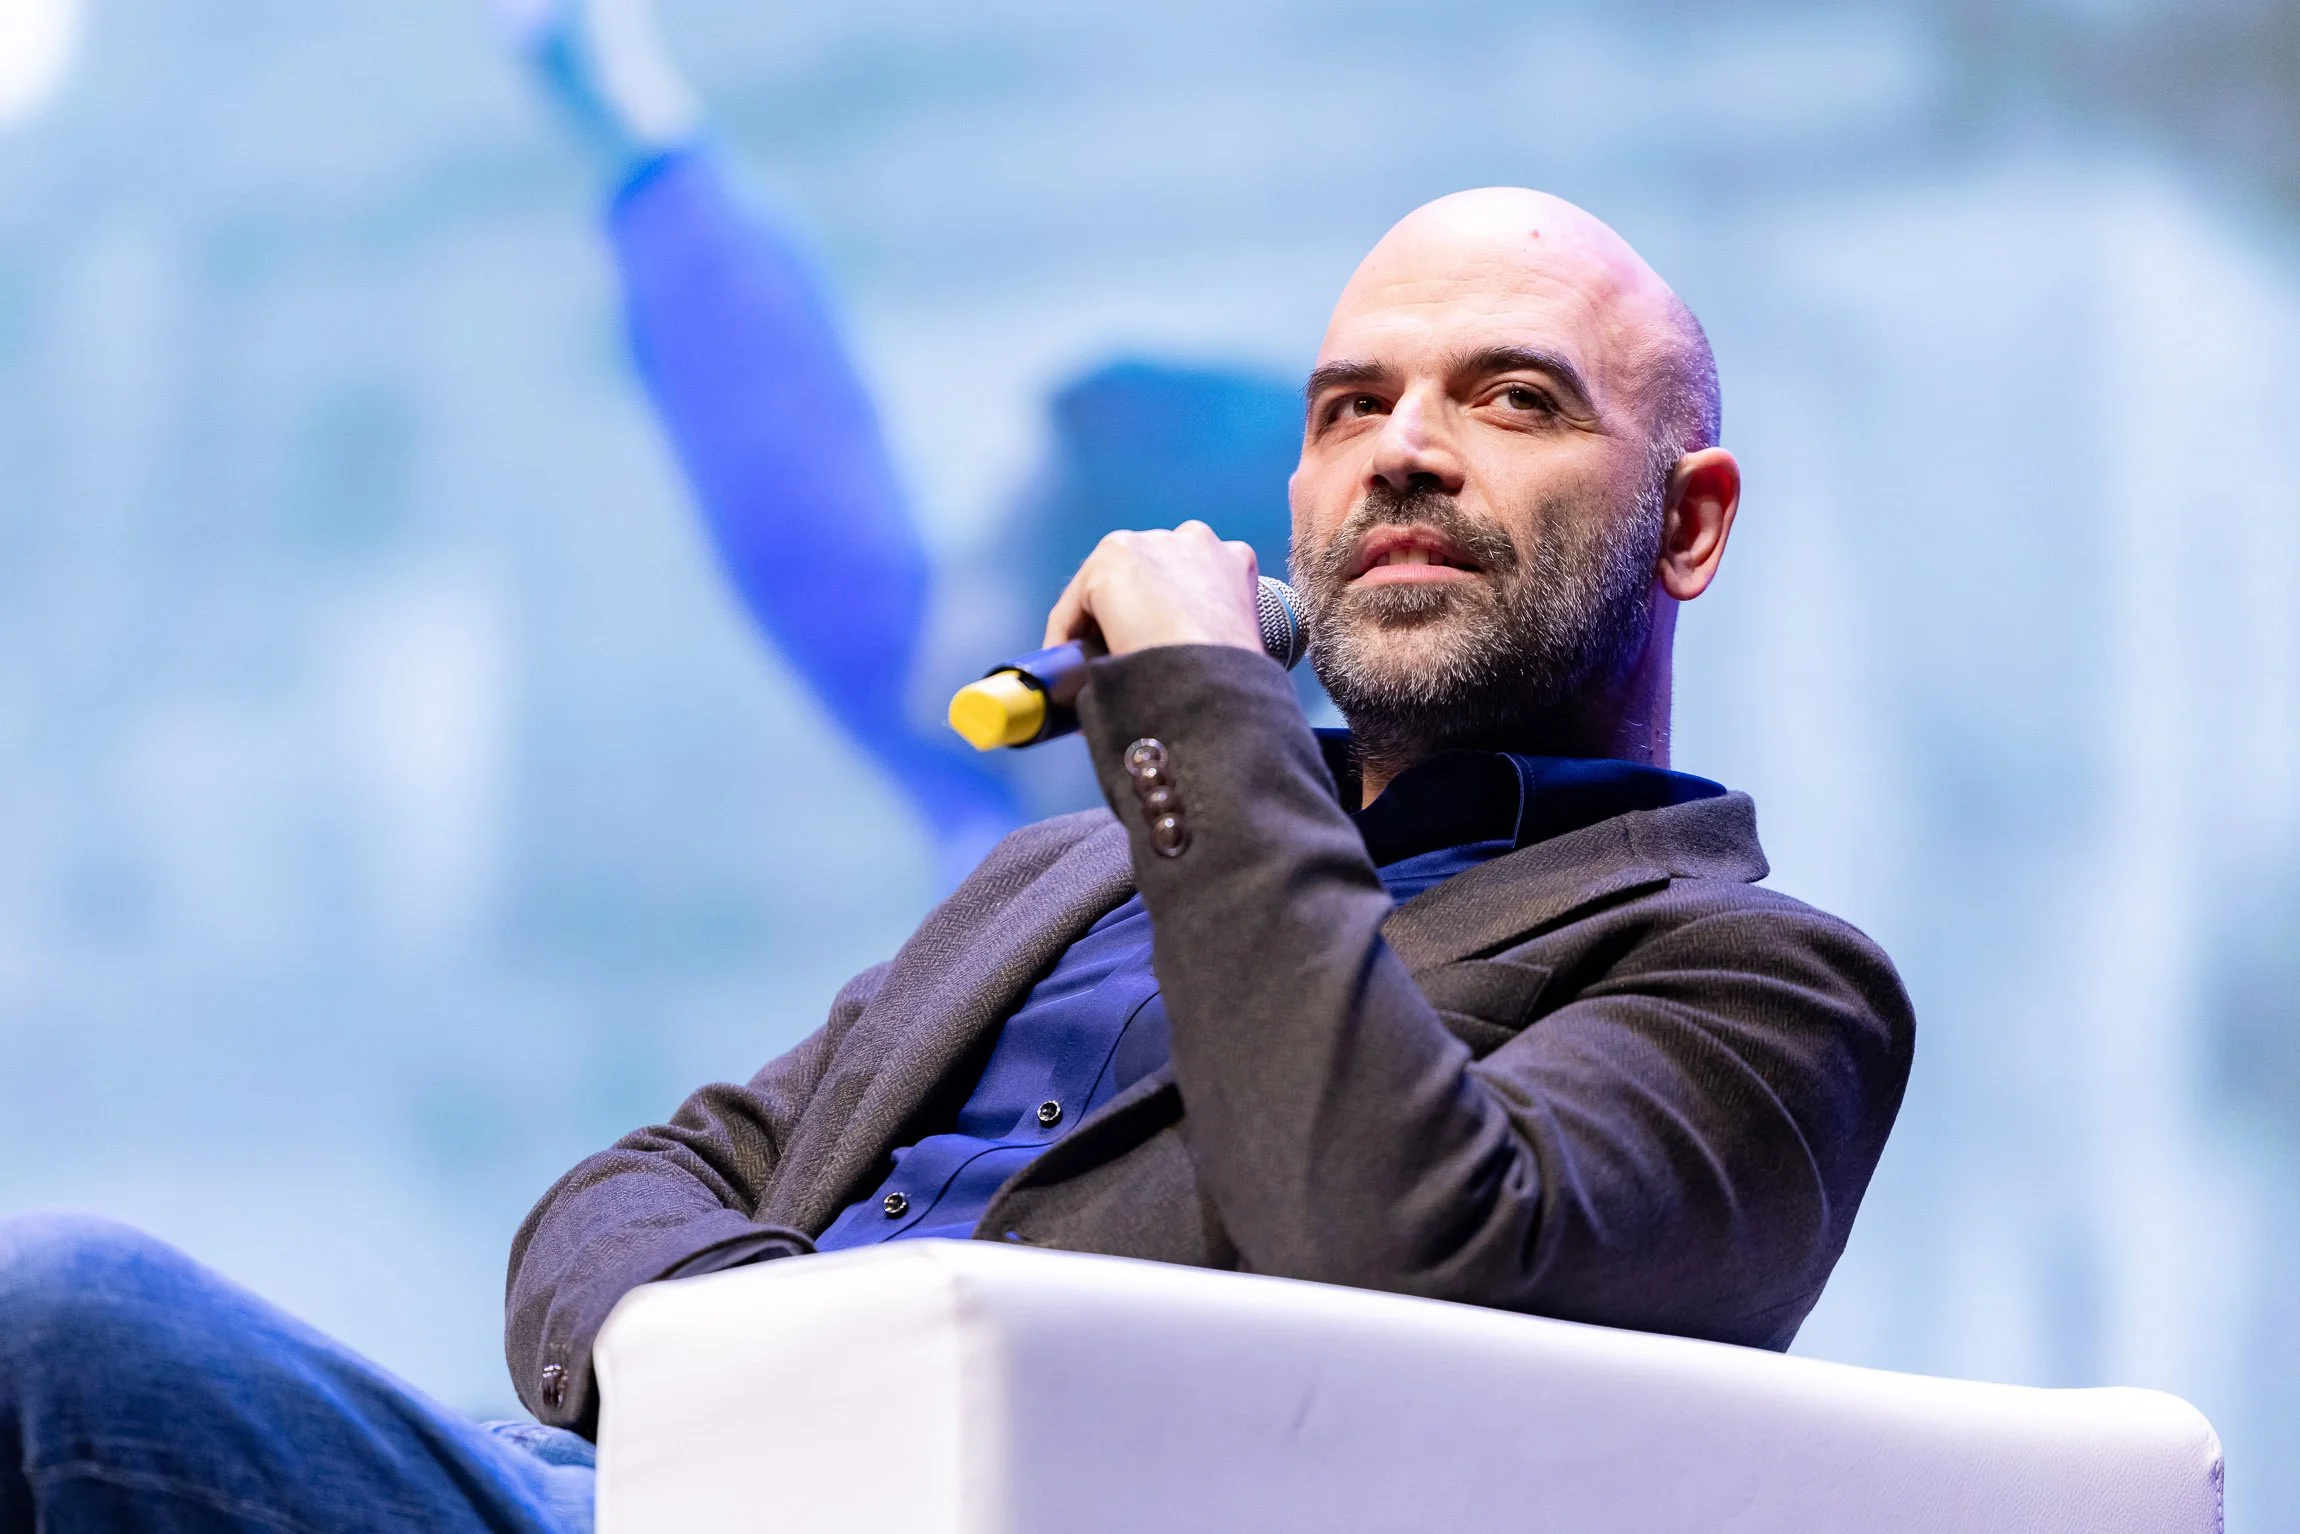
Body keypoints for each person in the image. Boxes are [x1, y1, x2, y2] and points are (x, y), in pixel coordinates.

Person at [0, 187, 1914, 1534]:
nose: (1404, 452)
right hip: (654, 1487)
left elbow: (1402, 1262)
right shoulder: (1063, 876)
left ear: (1690, 523)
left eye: (1512, 399)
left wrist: (1203, 717)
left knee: (63, 1314)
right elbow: (639, 1185)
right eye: (1352, 409)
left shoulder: (1753, 982)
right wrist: (782, 1379)